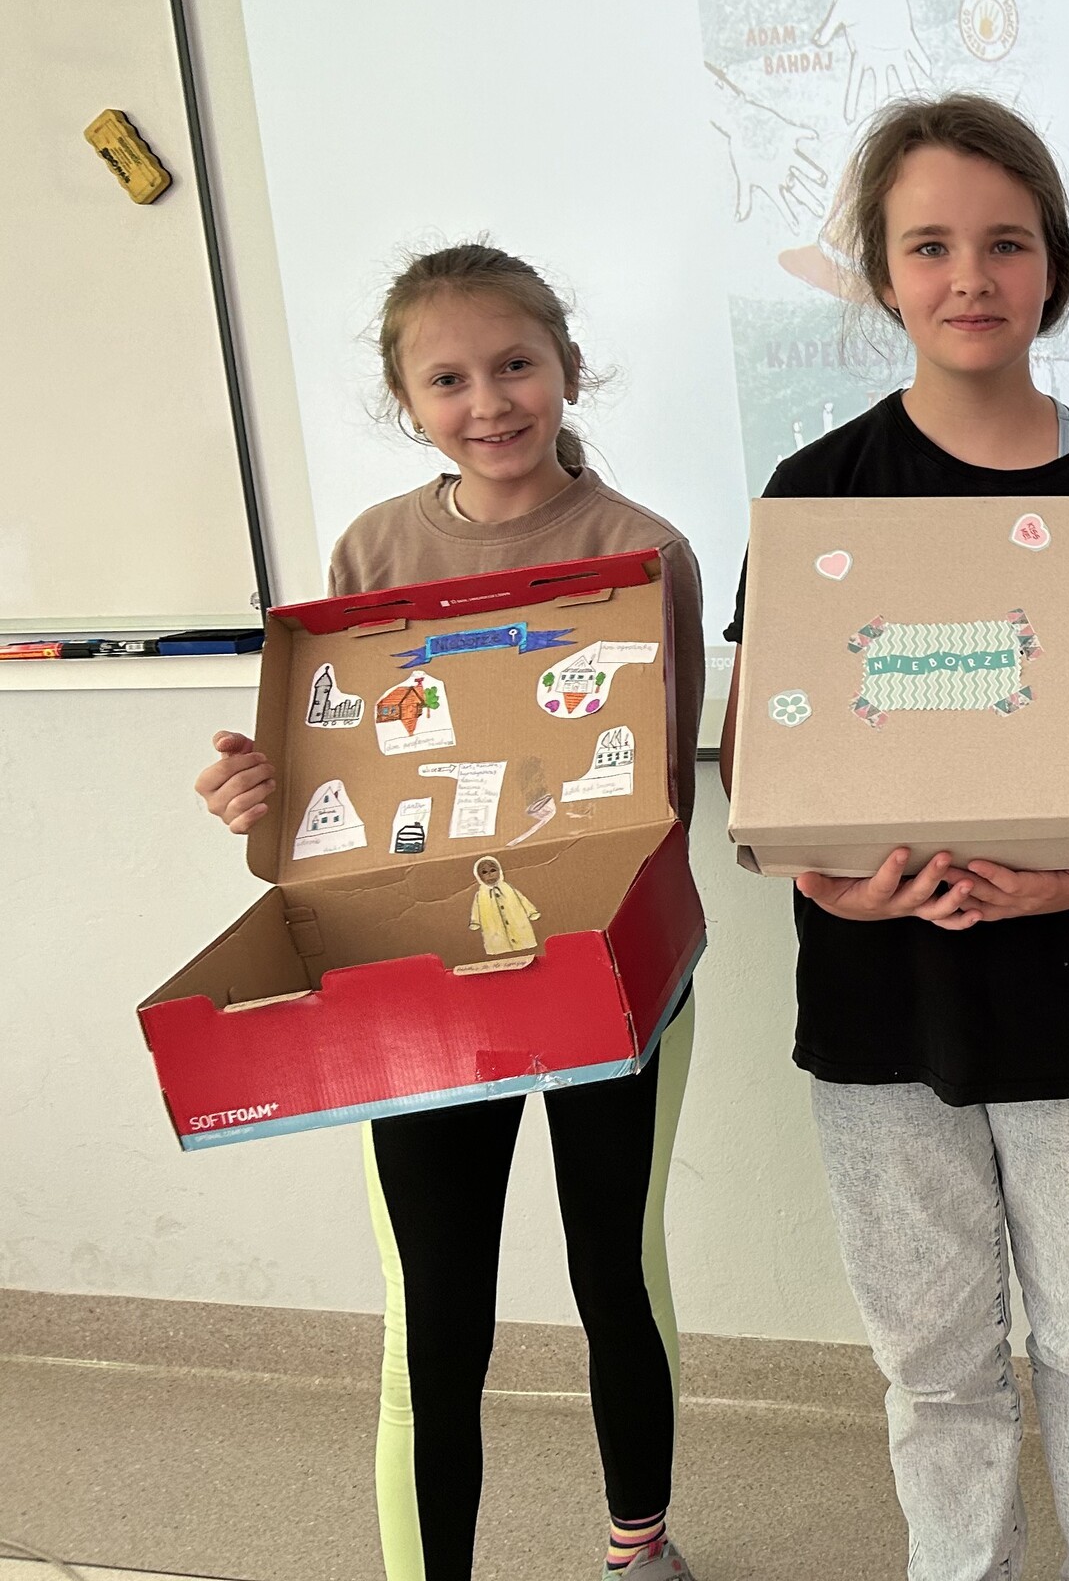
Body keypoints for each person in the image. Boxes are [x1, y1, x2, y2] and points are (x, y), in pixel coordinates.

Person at [718, 93, 1069, 1581]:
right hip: (883, 995)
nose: (970, 277)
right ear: (882, 274)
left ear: (1051, 263)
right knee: (932, 1355)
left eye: (1006, 242)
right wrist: (833, 886)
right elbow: (762, 760)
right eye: (930, 245)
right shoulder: (815, 494)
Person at [193, 243, 708, 1581]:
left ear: (567, 366)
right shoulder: (372, 550)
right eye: (449, 380)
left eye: (515, 365)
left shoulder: (646, 550)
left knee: (615, 1268)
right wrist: (264, 795)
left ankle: (638, 1544)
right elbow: (346, 793)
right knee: (435, 1308)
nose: (489, 402)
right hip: (421, 983)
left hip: (607, 968)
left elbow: (652, 800)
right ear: (405, 399)